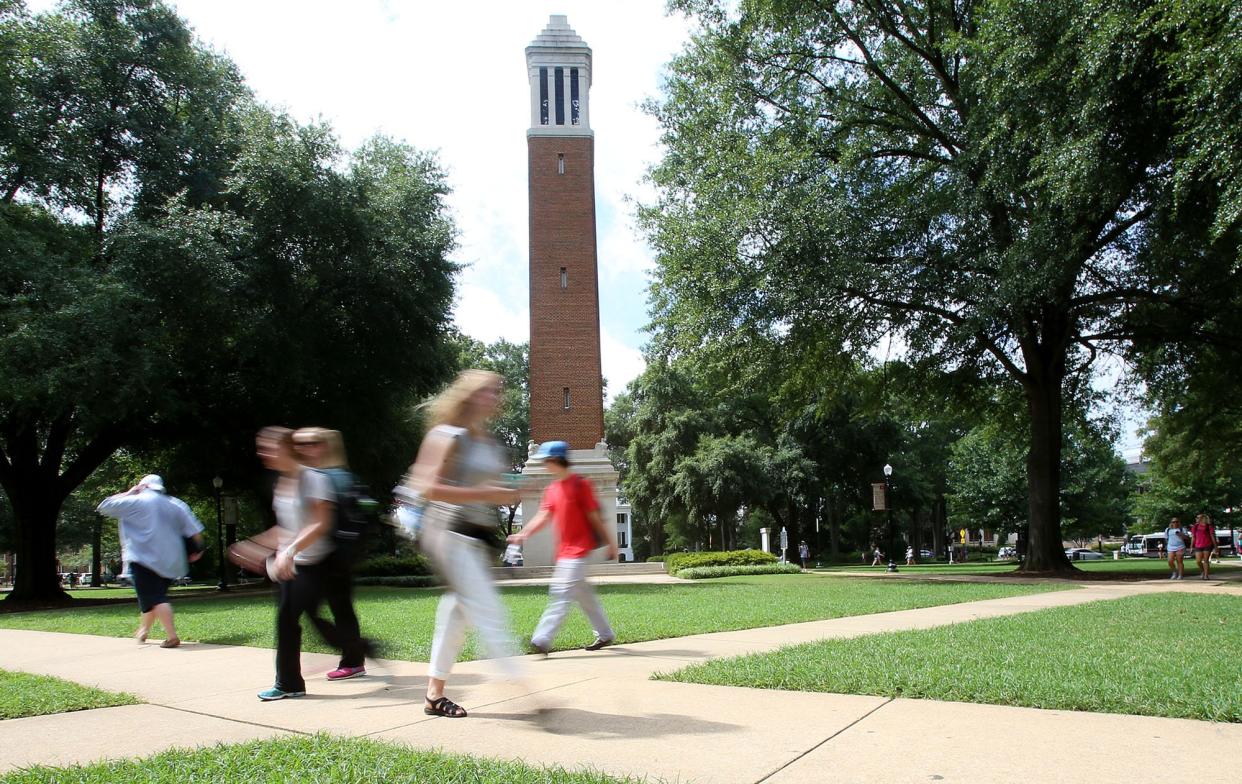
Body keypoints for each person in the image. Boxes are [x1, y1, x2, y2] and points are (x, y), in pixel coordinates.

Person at [407, 370, 523, 719]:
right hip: (448, 532)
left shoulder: (486, 439)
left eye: (497, 391)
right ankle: (527, 694)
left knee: (456, 615)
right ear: (468, 394)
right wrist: (487, 492)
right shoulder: (446, 434)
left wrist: (514, 487)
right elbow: (424, 487)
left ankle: (434, 695)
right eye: (488, 390)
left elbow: (492, 485)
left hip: (474, 537)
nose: (495, 396)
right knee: (488, 611)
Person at [255, 426, 342, 701]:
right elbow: (286, 527)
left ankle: (289, 683)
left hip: (313, 562)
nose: (263, 453)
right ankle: (291, 682)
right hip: (290, 562)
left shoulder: (314, 479)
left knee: (288, 618)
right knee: (292, 620)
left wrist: (290, 550)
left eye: (268, 447)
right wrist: (256, 546)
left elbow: (320, 522)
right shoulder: (283, 482)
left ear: (285, 448)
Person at [510, 441, 618, 655]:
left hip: (579, 549)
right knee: (584, 596)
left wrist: (611, 545)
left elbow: (595, 518)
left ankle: (542, 638)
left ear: (557, 460)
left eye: (546, 461)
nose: (544, 465)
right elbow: (543, 516)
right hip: (565, 551)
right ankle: (605, 634)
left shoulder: (580, 485)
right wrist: (523, 533)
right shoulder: (552, 489)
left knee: (560, 592)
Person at [294, 427, 371, 680]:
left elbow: (323, 520)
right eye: (300, 444)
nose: (303, 448)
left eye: (311, 443)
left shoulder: (329, 477)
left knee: (326, 606)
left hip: (332, 555)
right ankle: (354, 654)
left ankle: (355, 654)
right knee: (338, 606)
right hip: (334, 554)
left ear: (325, 446)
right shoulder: (333, 475)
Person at [97, 475, 204, 648]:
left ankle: (172, 636)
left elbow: (104, 506)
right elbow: (195, 532)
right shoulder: (176, 505)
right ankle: (143, 630)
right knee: (152, 597)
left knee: (155, 598)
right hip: (170, 561)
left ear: (143, 486)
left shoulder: (136, 501)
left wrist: (129, 492)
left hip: (142, 559)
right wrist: (198, 550)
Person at [1189, 513, 1214, 581]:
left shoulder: (1208, 526)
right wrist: (1191, 547)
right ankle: (1203, 571)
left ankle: (1206, 575)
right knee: (1198, 561)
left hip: (1207, 545)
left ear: (1203, 518)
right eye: (1196, 517)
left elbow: (1212, 536)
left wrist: (1215, 546)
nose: (1196, 519)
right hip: (1198, 545)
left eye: (1198, 517)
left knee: (1206, 560)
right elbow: (1193, 537)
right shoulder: (1195, 527)